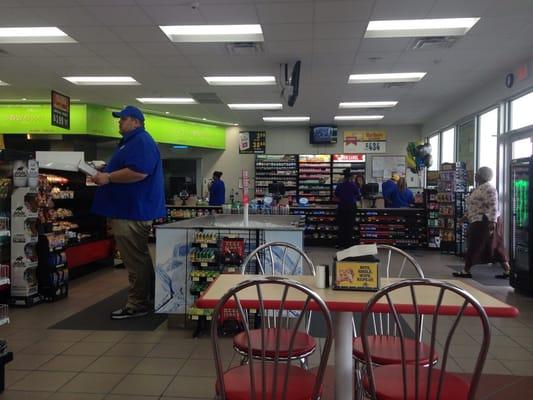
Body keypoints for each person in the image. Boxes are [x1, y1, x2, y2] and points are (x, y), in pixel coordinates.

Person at [91, 105, 166, 319]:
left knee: (134, 261)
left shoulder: (141, 141)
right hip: (130, 210)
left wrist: (108, 177)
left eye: (122, 119)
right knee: (139, 257)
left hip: (132, 211)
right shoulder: (133, 142)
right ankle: (148, 297)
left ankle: (138, 304)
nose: (119, 122)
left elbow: (139, 172)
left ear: (135, 121)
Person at [453, 166, 511, 279]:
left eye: (477, 174)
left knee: (476, 245)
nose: (475, 176)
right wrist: (465, 217)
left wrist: (492, 222)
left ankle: (466, 270)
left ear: (481, 176)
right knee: (495, 246)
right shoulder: (479, 188)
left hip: (485, 221)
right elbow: (475, 207)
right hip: (478, 220)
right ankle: (507, 270)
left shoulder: (489, 189)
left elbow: (493, 206)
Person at [334, 168, 361, 249]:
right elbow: (358, 194)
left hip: (342, 207)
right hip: (351, 208)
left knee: (342, 226)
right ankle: (349, 244)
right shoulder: (353, 185)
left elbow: (336, 194)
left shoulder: (340, 185)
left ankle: (341, 244)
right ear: (350, 177)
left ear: (344, 177)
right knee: (349, 226)